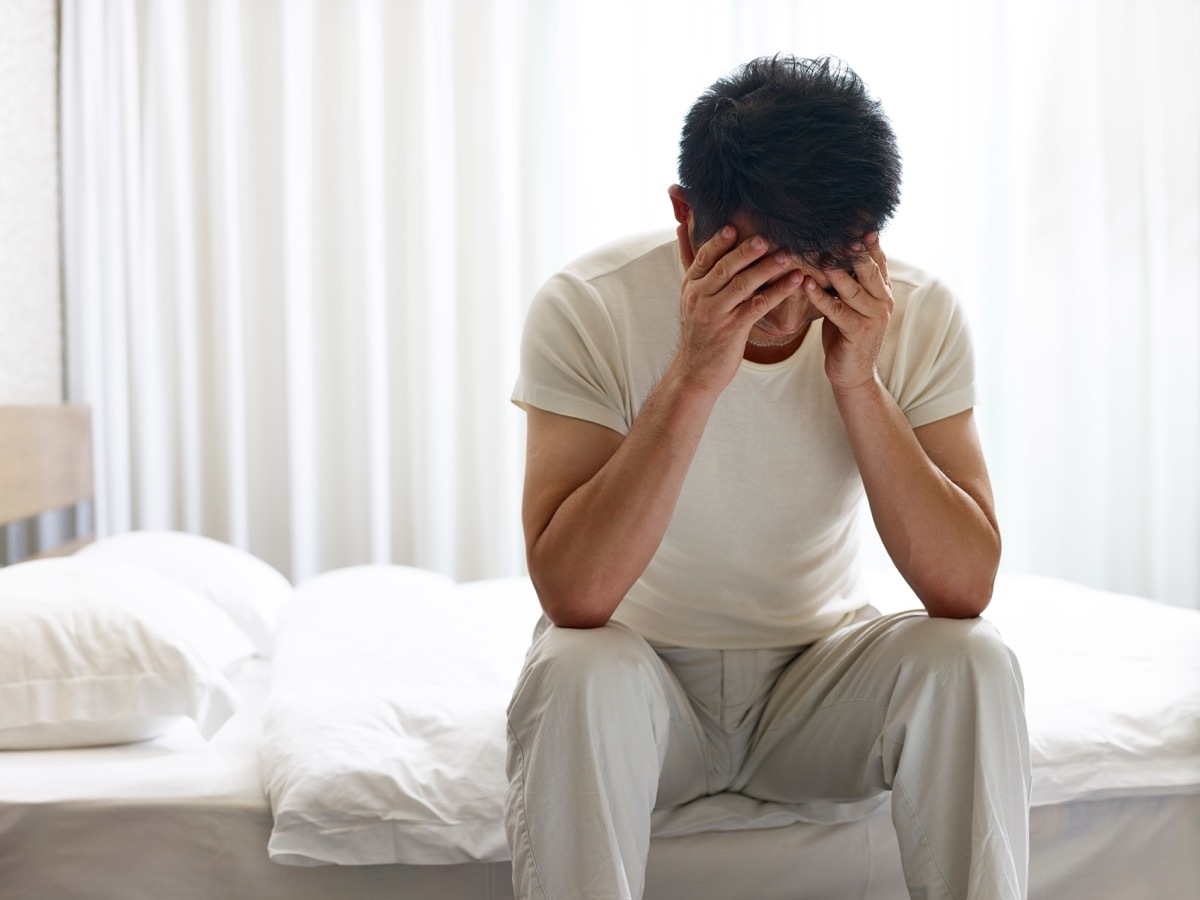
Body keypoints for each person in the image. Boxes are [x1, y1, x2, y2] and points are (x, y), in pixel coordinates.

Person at [505, 55, 1030, 900]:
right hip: (645, 688)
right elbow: (572, 593)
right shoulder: (588, 305)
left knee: (971, 660)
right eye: (759, 264)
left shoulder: (916, 312)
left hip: (818, 687)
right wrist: (694, 377)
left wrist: (858, 382)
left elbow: (965, 584)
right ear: (686, 221)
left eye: (825, 260)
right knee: (573, 668)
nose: (790, 308)